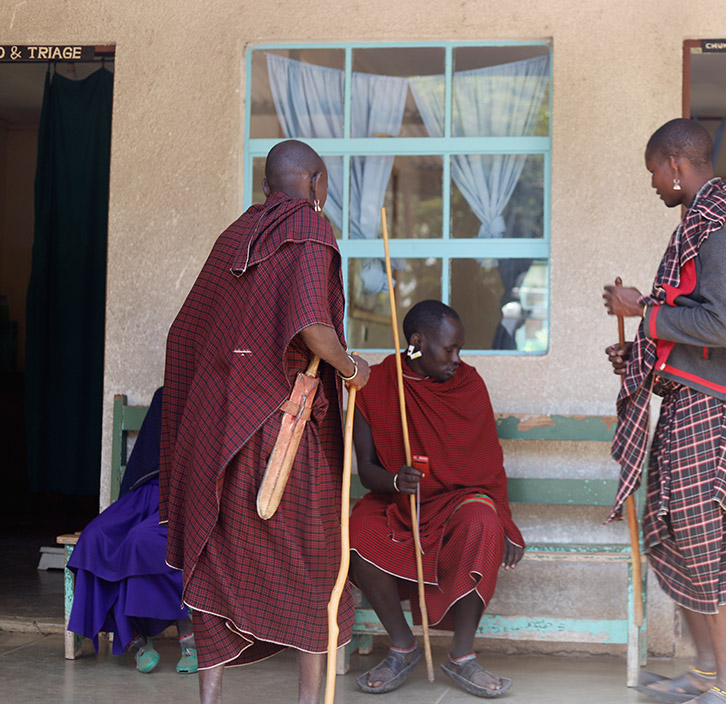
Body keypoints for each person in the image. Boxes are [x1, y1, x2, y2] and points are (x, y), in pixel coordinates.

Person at [159, 140, 370, 704]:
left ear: (268, 186)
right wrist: (352, 368)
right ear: (317, 183)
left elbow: (186, 333)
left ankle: (210, 696)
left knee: (219, 557)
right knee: (314, 559)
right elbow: (311, 328)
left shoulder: (235, 235)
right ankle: (308, 699)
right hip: (281, 429)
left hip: (216, 431)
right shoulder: (309, 227)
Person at [603, 119, 726, 704]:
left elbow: (721, 325)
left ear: (676, 164)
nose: (652, 183)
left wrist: (642, 311)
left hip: (722, 412)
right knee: (674, 536)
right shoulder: (699, 228)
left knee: (710, 543)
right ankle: (702, 673)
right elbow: (689, 321)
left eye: (653, 171)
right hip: (689, 403)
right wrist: (642, 352)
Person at [349, 300, 524, 698]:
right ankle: (402, 646)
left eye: (460, 349)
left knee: (485, 523)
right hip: (399, 501)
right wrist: (395, 480)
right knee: (359, 531)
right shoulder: (376, 385)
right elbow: (367, 469)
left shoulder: (469, 383)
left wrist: (507, 522)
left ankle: (462, 656)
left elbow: (488, 464)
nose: (456, 359)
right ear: (417, 342)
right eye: (449, 350)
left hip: (457, 500)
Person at [68, 387, 196, 675]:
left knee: (142, 541)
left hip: (183, 499)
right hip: (145, 494)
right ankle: (134, 640)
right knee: (94, 538)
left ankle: (189, 638)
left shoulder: (218, 398)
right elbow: (145, 459)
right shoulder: (166, 394)